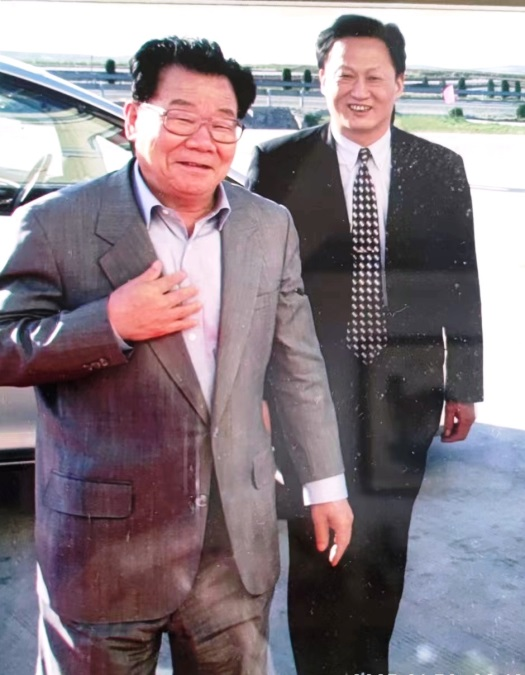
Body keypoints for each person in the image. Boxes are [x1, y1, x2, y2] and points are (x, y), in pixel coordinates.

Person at [0, 36, 354, 675]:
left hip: (232, 548)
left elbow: (298, 364)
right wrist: (108, 323)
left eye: (223, 124)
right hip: (103, 554)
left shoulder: (267, 225)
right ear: (134, 117)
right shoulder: (55, 222)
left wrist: (326, 484)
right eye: (182, 117)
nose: (203, 140)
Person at [247, 14, 483, 675]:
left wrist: (464, 384)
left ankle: (368, 666)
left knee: (383, 547)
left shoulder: (439, 168)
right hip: (306, 393)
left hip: (405, 392)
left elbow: (460, 281)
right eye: (344, 75)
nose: (359, 90)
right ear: (320, 78)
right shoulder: (280, 163)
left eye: (374, 76)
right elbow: (253, 287)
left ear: (399, 83)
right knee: (315, 544)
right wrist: (255, 390)